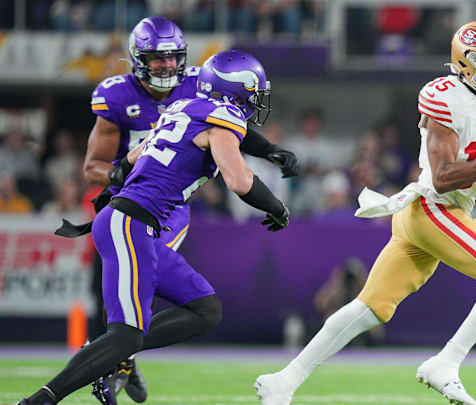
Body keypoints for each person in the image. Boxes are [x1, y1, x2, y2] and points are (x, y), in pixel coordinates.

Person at [255, 20, 476, 405]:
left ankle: (283, 381)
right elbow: (446, 177)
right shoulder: (445, 97)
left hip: (432, 214)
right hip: (433, 207)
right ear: (465, 64)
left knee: (370, 307)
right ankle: (446, 362)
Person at [18, 50, 290, 405]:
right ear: (234, 90)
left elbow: (136, 154)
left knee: (205, 310)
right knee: (126, 336)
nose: (257, 100)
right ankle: (39, 401)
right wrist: (277, 207)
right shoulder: (222, 117)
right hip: (133, 223)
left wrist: (124, 187)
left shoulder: (182, 108)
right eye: (254, 90)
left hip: (135, 223)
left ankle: (102, 353)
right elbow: (239, 180)